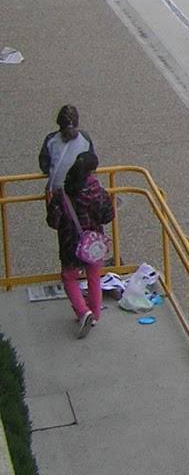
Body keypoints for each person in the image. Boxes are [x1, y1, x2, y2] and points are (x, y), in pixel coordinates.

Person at [47, 149, 113, 338]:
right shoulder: (100, 193)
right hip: (93, 245)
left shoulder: (63, 194)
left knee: (69, 277)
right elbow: (108, 216)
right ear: (93, 171)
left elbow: (53, 221)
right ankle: (95, 312)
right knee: (94, 275)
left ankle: (84, 312)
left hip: (70, 243)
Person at [39, 105, 94, 206]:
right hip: (82, 188)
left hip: (57, 190)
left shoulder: (51, 139)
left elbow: (44, 166)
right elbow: (92, 162)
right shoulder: (85, 138)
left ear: (59, 122)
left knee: (59, 219)